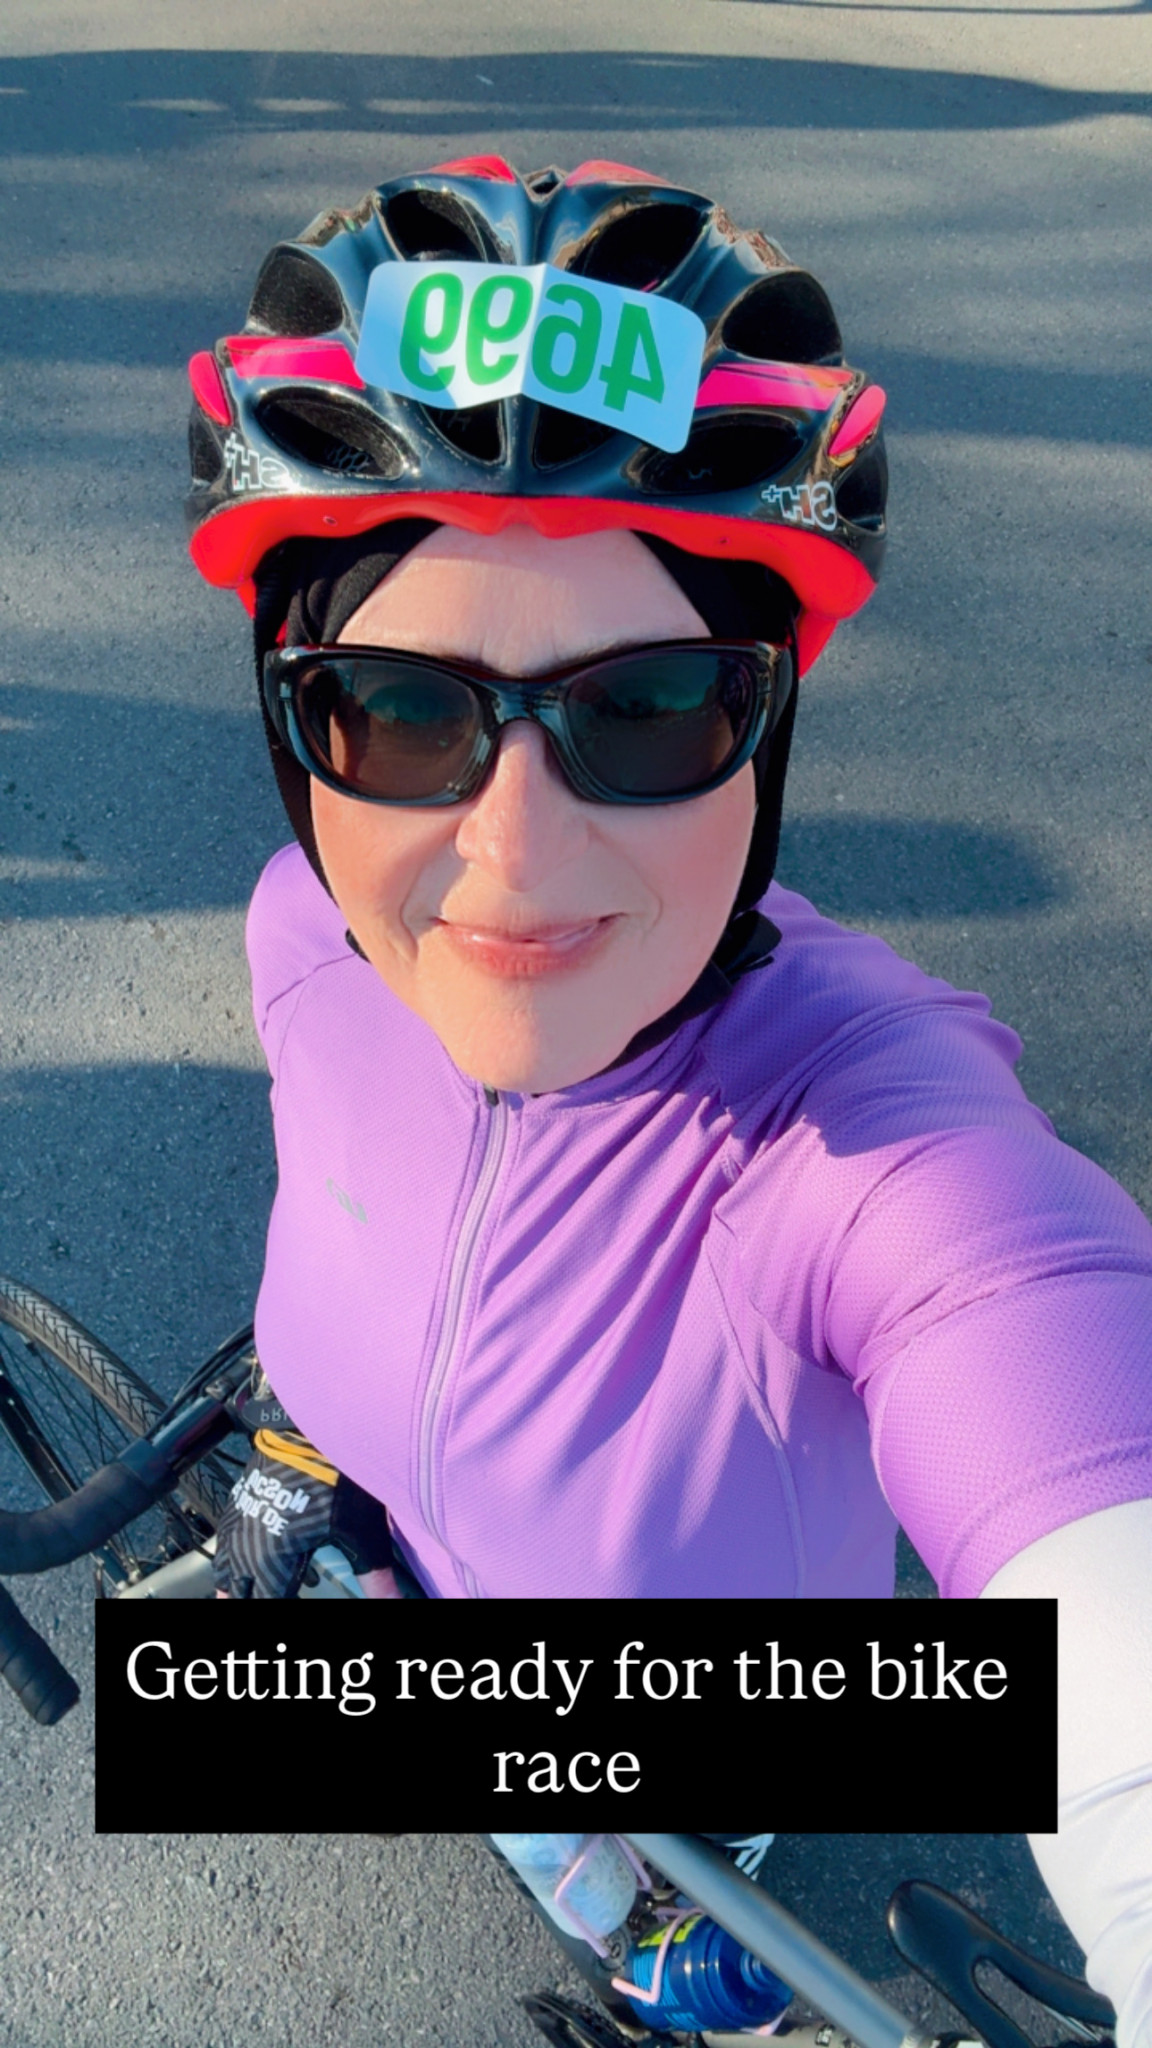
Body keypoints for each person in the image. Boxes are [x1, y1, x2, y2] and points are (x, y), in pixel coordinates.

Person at [186, 160, 1151, 2044]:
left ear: (765, 732)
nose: (513, 850)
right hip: (401, 1542)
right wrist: (310, 1411)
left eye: (648, 707)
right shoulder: (306, 922)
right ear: (293, 729)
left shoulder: (870, 1140)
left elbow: (1041, 1356)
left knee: (670, 1886)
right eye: (397, 709)